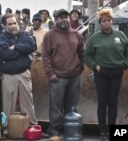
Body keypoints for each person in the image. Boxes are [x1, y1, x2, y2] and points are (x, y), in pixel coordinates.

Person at [84, 8, 128, 141]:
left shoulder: (120, 35)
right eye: (104, 21)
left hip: (117, 73)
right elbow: (87, 56)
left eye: (109, 20)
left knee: (113, 102)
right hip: (101, 74)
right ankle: (102, 132)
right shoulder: (94, 38)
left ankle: (112, 130)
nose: (107, 23)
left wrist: (125, 64)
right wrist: (95, 66)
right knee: (102, 103)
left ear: (112, 21)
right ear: (100, 23)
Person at [41, 9, 84, 141]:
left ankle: (70, 131)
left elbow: (82, 53)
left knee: (72, 106)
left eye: (66, 17)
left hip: (75, 76)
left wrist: (81, 67)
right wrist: (51, 74)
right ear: (55, 20)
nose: (64, 19)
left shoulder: (76, 34)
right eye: (61, 17)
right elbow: (46, 56)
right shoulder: (50, 35)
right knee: (56, 106)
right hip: (57, 77)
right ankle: (54, 131)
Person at [0, 14, 37, 126]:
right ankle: (6, 127)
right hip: (8, 75)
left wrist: (15, 47)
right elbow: (5, 54)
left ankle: (32, 126)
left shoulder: (25, 35)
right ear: (5, 25)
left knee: (28, 102)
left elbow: (31, 46)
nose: (13, 26)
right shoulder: (1, 38)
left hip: (24, 73)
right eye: (10, 24)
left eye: (14, 23)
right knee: (8, 104)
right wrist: (22, 50)